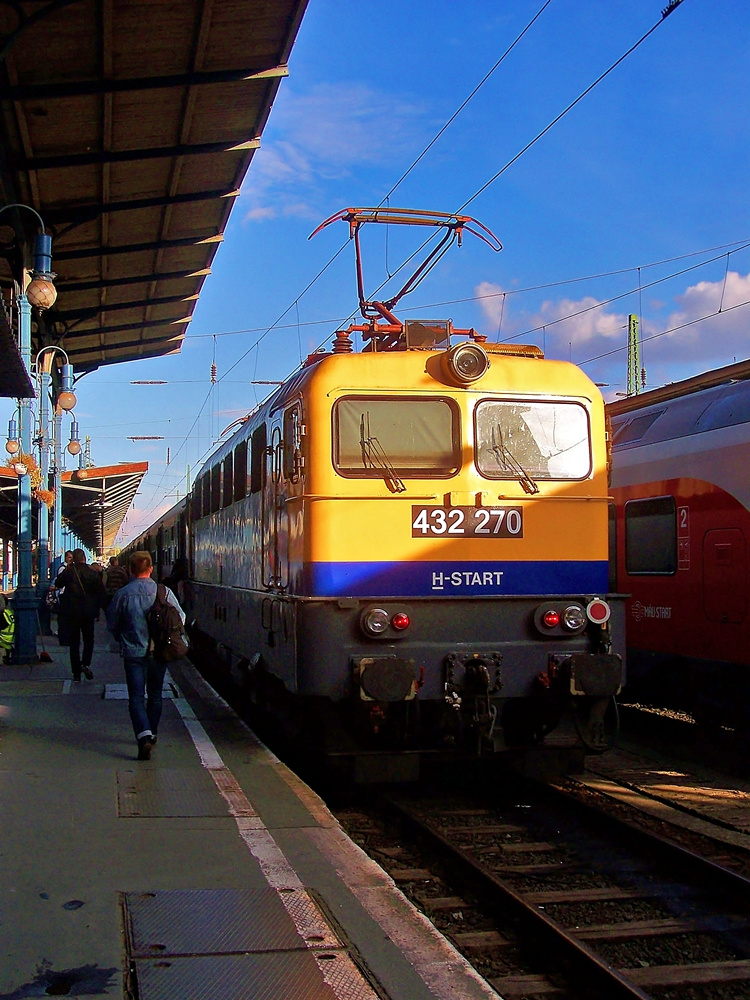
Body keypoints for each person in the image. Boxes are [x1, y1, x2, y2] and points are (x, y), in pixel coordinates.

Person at [107, 550, 185, 761]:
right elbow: (181, 618)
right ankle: (153, 733)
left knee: (136, 697)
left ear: (131, 570)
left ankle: (143, 737)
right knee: (156, 694)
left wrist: (122, 638)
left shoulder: (123, 594)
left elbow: (112, 624)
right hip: (158, 651)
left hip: (133, 652)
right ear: (150, 569)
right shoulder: (163, 592)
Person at [55, 549, 105, 681]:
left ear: (74, 559)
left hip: (72, 613)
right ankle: (85, 663)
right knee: (89, 640)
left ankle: (76, 672)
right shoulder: (92, 573)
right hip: (88, 613)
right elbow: (101, 594)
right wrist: (97, 611)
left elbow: (58, 584)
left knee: (74, 642)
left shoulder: (69, 572)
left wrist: (67, 570)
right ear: (84, 558)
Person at [54, 550, 74, 646]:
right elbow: (60, 583)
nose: (71, 559)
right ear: (66, 558)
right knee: (63, 619)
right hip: (63, 595)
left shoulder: (70, 568)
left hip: (68, 596)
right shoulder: (63, 569)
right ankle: (63, 639)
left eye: (72, 557)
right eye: (69, 557)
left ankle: (66, 638)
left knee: (67, 619)